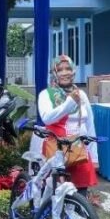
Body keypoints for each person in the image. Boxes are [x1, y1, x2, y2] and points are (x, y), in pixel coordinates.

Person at [35, 54, 100, 188]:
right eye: (60, 69)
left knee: (80, 197)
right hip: (57, 151)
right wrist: (69, 103)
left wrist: (94, 158)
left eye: (68, 69)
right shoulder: (46, 95)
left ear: (73, 71)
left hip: (80, 153)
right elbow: (47, 118)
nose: (64, 73)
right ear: (54, 73)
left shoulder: (81, 94)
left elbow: (90, 125)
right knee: (56, 197)